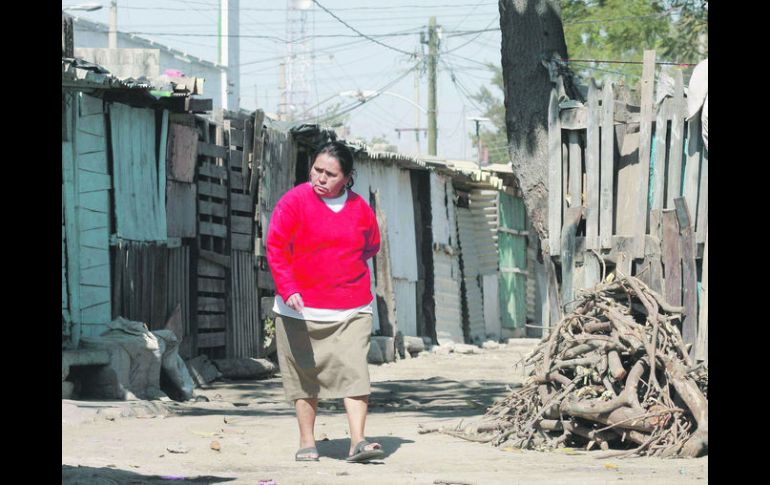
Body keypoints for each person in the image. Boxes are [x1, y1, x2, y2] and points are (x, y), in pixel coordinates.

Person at [266, 141, 385, 463]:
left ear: (347, 177)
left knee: (355, 370)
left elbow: (370, 246)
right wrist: (289, 287)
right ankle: (307, 441)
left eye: (330, 174)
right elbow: (275, 248)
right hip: (299, 309)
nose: (320, 178)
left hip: (351, 306)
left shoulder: (360, 209)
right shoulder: (293, 202)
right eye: (317, 170)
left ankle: (358, 441)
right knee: (303, 376)